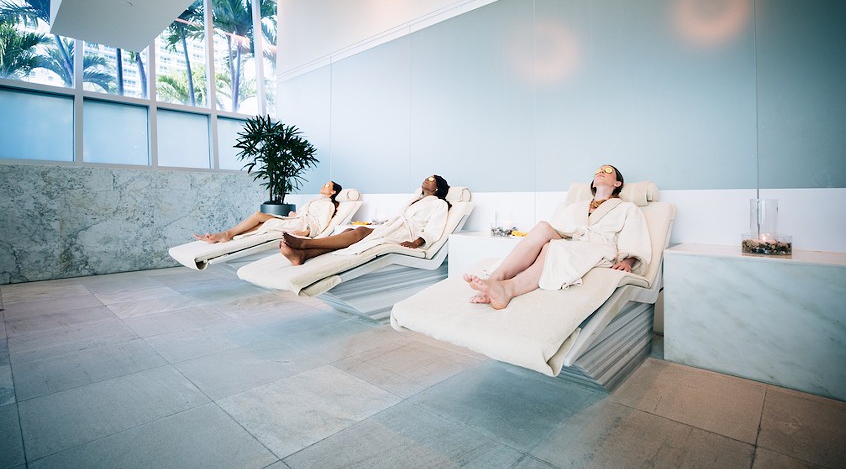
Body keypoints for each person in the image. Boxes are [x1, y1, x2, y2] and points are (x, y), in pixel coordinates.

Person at [464, 164, 651, 309]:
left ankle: (508, 289)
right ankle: (495, 280)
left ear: (617, 183)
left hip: (598, 248)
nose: (601, 171)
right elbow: (556, 230)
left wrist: (629, 261)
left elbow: (634, 237)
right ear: (593, 183)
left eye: (607, 170)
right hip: (571, 241)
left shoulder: (627, 208)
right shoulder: (575, 207)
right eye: (598, 170)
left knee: (551, 247)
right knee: (543, 227)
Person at [279, 175, 451, 265]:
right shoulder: (415, 200)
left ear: (437, 187)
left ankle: (305, 244)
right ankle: (302, 255)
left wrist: (415, 243)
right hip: (393, 228)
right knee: (348, 231)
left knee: (360, 231)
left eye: (431, 179)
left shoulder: (439, 205)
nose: (425, 179)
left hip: (405, 234)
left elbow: (433, 230)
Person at [193, 181, 343, 243]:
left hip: (301, 226)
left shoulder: (328, 205)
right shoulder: (318, 200)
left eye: (328, 185)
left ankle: (226, 235)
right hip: (295, 220)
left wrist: (306, 232)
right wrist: (294, 215)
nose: (324, 185)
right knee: (259, 215)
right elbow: (305, 214)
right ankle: (227, 234)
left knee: (265, 222)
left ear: (333, 191)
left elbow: (320, 224)